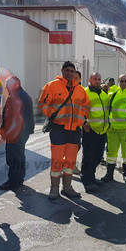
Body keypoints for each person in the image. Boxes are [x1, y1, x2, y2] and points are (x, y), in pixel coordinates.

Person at [38, 61, 90, 200]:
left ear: (74, 73)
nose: (69, 73)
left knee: (71, 161)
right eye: (66, 70)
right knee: (57, 160)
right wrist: (52, 114)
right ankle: (54, 188)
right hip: (58, 129)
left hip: (74, 131)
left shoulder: (80, 90)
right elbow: (42, 103)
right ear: (62, 71)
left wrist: (83, 118)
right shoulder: (51, 86)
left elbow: (86, 106)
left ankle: (67, 187)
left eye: (71, 71)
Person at [0, 76, 34, 190]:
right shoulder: (18, 95)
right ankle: (18, 180)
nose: (6, 87)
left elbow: (18, 118)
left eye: (8, 84)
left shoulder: (19, 97)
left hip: (16, 133)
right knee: (19, 156)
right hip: (17, 133)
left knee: (13, 157)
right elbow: (7, 114)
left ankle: (13, 181)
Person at [102, 74, 126, 184]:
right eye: (122, 81)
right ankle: (109, 174)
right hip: (113, 129)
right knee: (111, 153)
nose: (124, 83)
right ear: (118, 82)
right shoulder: (113, 94)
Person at [81, 72, 109, 192]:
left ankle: (92, 178)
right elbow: (79, 109)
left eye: (99, 79)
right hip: (90, 130)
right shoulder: (84, 93)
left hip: (102, 130)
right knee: (88, 157)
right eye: (95, 79)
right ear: (90, 80)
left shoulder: (104, 95)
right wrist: (84, 122)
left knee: (97, 157)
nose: (97, 81)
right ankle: (86, 181)